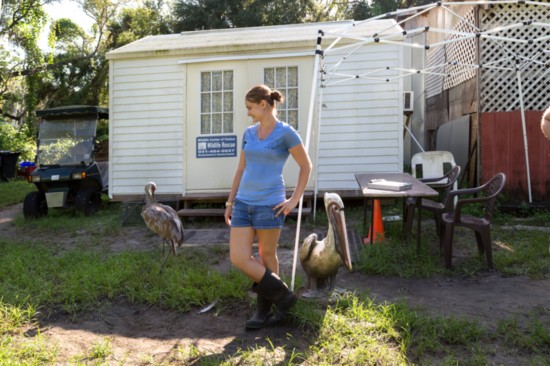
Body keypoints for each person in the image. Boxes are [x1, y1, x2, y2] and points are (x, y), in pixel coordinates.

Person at [224, 84, 312, 330]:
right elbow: (241, 169)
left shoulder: (286, 133)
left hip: (270, 204)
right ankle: (284, 296)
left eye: (250, 107)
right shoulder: (248, 134)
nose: (248, 112)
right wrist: (230, 202)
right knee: (239, 257)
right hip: (243, 203)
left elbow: (306, 166)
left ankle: (263, 311)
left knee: (266, 256)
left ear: (263, 105)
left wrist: (294, 199)